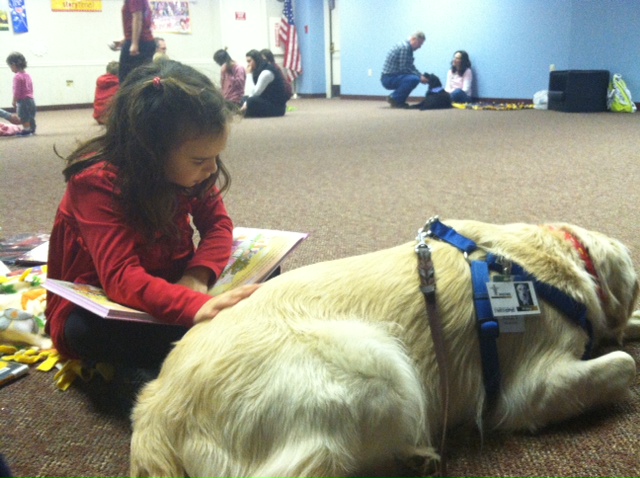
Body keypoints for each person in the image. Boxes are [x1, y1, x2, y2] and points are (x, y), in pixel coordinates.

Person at [45, 60, 260, 373]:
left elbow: (218, 225)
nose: (212, 169)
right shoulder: (96, 181)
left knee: (267, 277)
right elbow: (120, 277)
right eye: (200, 159)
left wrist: (197, 278)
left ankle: (204, 345)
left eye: (216, 156)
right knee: (82, 331)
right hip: (111, 298)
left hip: (175, 281)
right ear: (150, 151)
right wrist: (196, 305)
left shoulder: (194, 173)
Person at [380, 32, 428, 108]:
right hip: (388, 78)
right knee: (414, 79)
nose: (420, 47)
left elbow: (410, 66)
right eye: (419, 43)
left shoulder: (407, 47)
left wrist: (420, 75)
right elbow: (404, 68)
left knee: (415, 77)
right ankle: (395, 98)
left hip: (391, 76)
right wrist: (419, 77)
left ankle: (398, 101)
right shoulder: (405, 47)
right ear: (413, 39)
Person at [241, 49, 289, 118]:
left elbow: (256, 92)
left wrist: (249, 75)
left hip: (277, 107)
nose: (248, 64)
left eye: (249, 61)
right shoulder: (258, 71)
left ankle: (247, 111)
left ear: (256, 60)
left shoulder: (266, 72)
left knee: (251, 101)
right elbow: (248, 92)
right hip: (265, 99)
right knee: (244, 98)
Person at [118, 0, 156, 83]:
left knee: (127, 80)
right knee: (134, 80)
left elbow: (138, 18)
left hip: (141, 43)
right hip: (142, 41)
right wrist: (125, 40)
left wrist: (134, 43)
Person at [6, 52, 36, 135]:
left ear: (13, 65)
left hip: (23, 101)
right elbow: (31, 87)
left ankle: (26, 130)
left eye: (10, 66)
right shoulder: (27, 75)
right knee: (30, 116)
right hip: (31, 100)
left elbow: (17, 91)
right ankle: (32, 129)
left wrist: (14, 101)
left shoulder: (17, 77)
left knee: (23, 116)